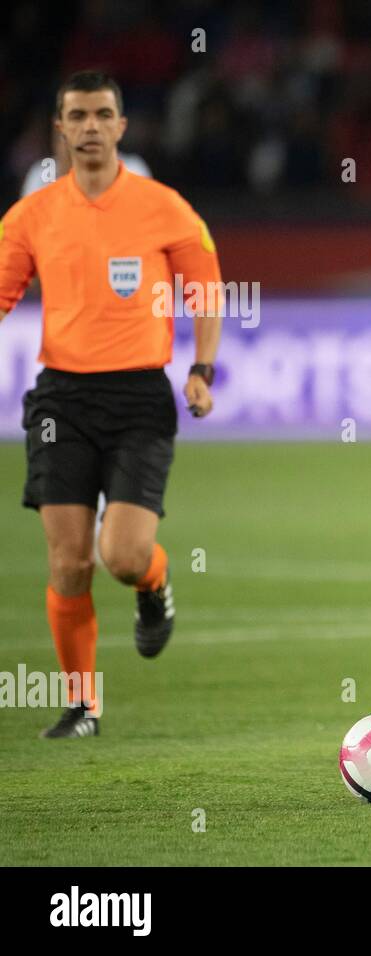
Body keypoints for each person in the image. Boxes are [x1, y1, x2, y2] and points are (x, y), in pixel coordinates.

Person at [0, 71, 224, 739]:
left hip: (138, 396)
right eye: (78, 115)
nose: (91, 126)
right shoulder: (31, 215)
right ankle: (82, 706)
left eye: (103, 114)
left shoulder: (164, 207)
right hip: (60, 397)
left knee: (122, 555)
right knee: (69, 560)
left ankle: (152, 587)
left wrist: (202, 369)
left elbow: (206, 291)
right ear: (60, 131)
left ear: (122, 128)